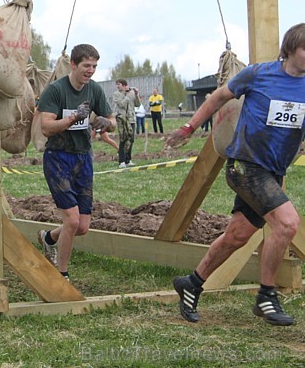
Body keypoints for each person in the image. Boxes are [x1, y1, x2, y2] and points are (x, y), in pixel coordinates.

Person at [167, 23, 305, 326]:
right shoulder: (258, 74)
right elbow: (217, 98)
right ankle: (266, 295)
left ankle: (191, 283)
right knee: (287, 224)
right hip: (245, 166)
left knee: (237, 236)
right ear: (291, 48)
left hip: (273, 171)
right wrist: (189, 128)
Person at [36, 44, 116, 281]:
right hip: (58, 158)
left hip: (83, 158)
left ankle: (48, 238)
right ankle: (61, 274)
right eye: (86, 66)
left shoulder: (95, 91)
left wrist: (105, 122)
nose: (90, 71)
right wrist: (72, 118)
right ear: (73, 65)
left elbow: (111, 120)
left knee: (81, 226)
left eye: (94, 66)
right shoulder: (55, 91)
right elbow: (45, 127)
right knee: (71, 220)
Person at [112, 79, 140, 168]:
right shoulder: (116, 94)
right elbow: (122, 104)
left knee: (131, 140)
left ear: (124, 85)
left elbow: (138, 104)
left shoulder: (131, 93)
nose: (117, 86)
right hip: (123, 119)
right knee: (123, 139)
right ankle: (121, 161)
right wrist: (128, 95)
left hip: (131, 119)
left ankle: (128, 160)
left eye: (119, 84)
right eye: (117, 84)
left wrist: (136, 94)